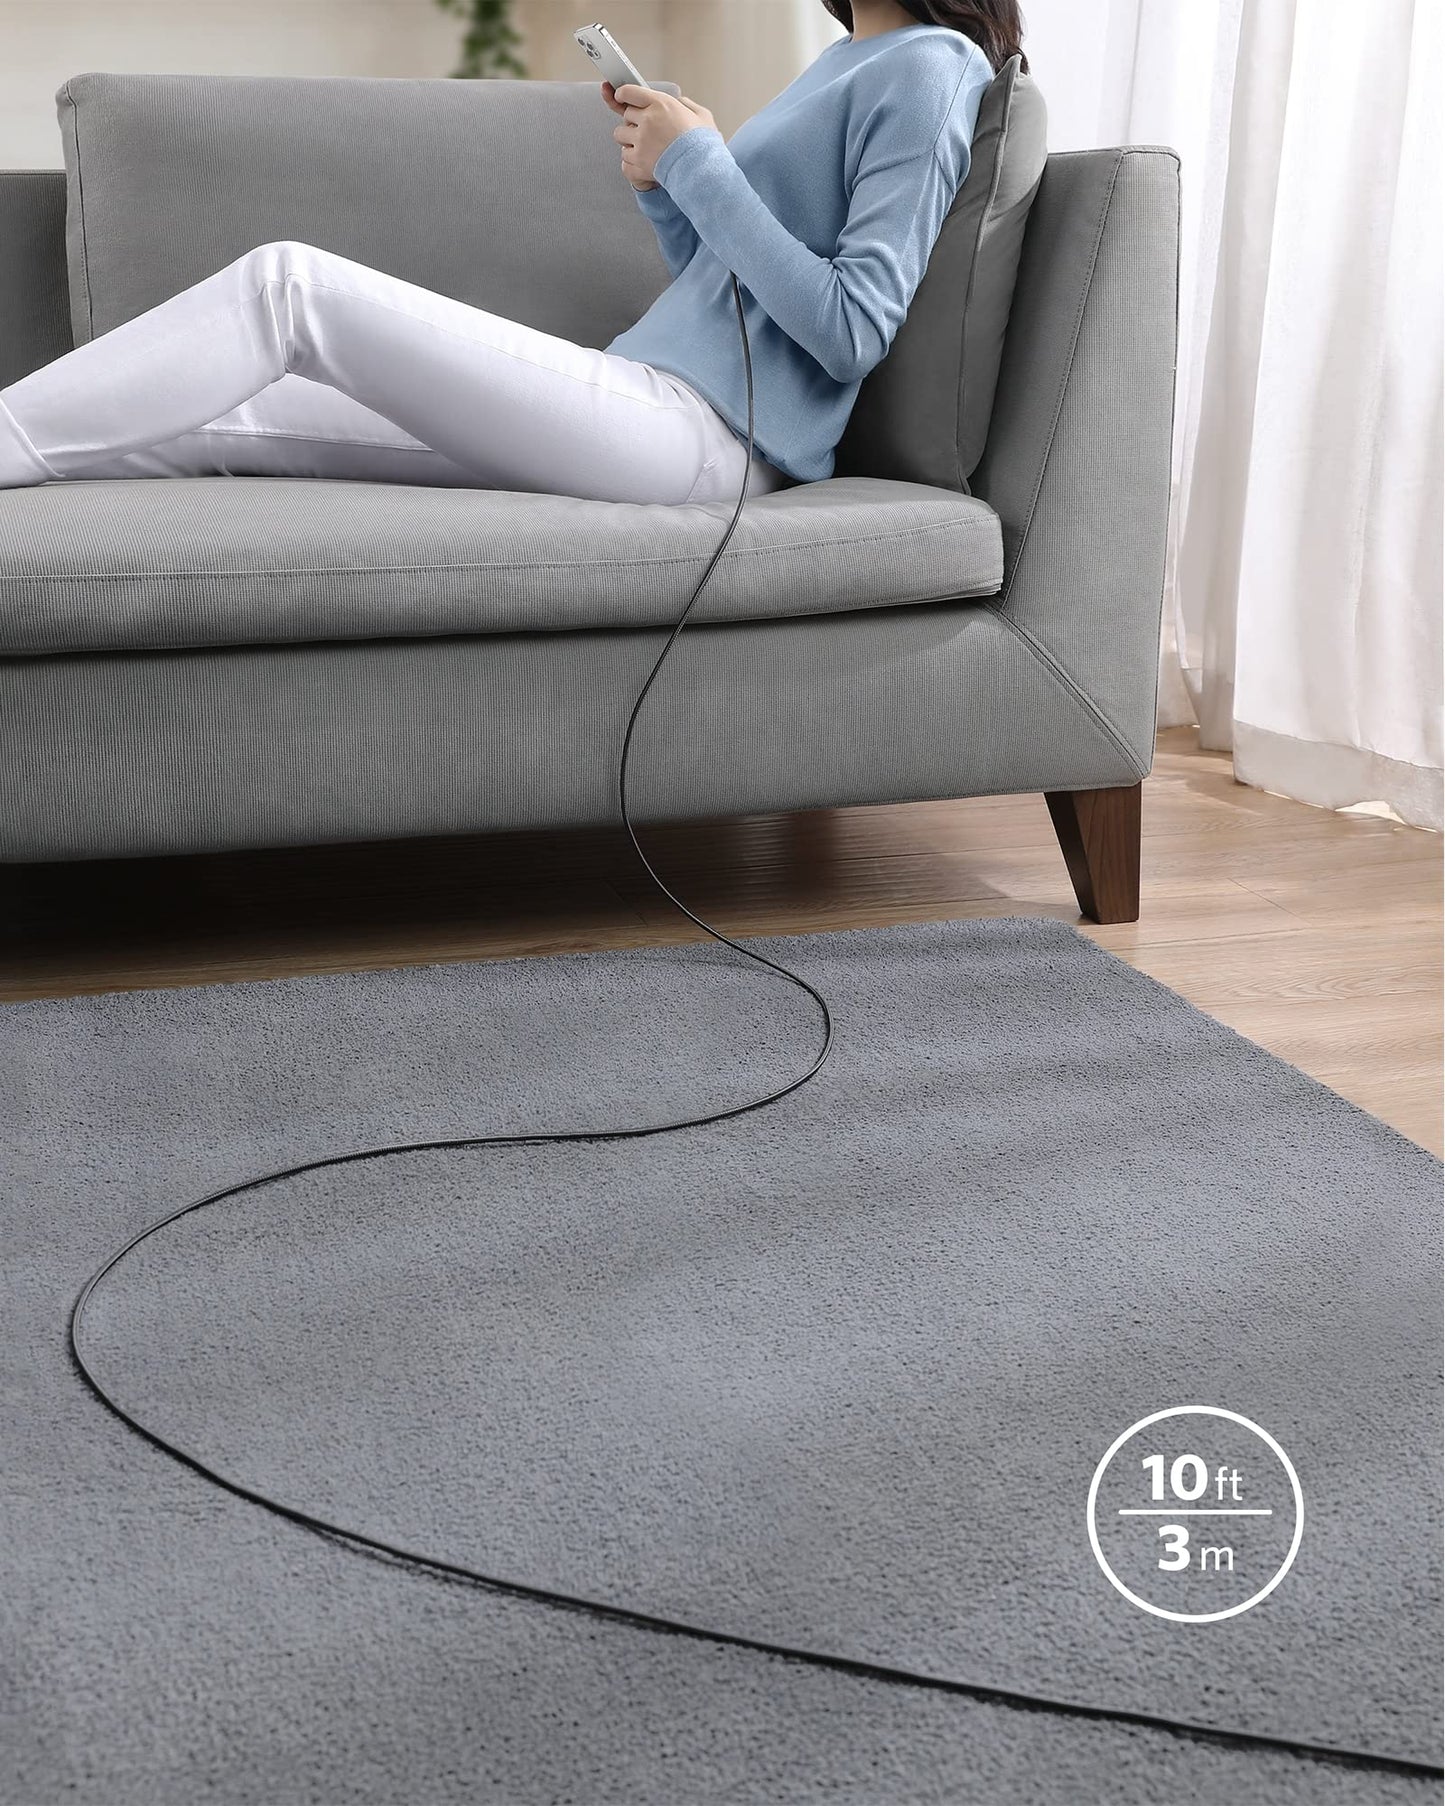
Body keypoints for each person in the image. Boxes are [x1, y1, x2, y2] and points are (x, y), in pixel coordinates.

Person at [0, 0, 1026, 504]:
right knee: (228, 410)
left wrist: (702, 167)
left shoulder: (934, 68)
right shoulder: (844, 59)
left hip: (709, 440)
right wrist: (667, 185)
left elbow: (850, 332)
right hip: (640, 391)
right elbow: (725, 298)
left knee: (288, 289)